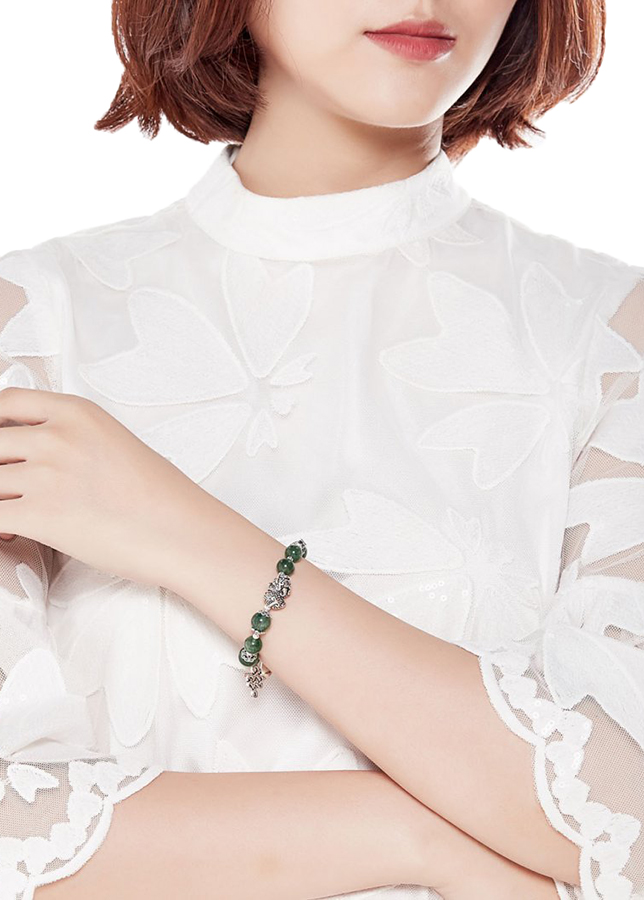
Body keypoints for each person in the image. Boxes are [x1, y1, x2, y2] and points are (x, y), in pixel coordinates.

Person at [0, 0, 642, 898]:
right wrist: (425, 835)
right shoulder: (35, 327)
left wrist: (184, 532)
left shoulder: (610, 342)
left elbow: (624, 807)